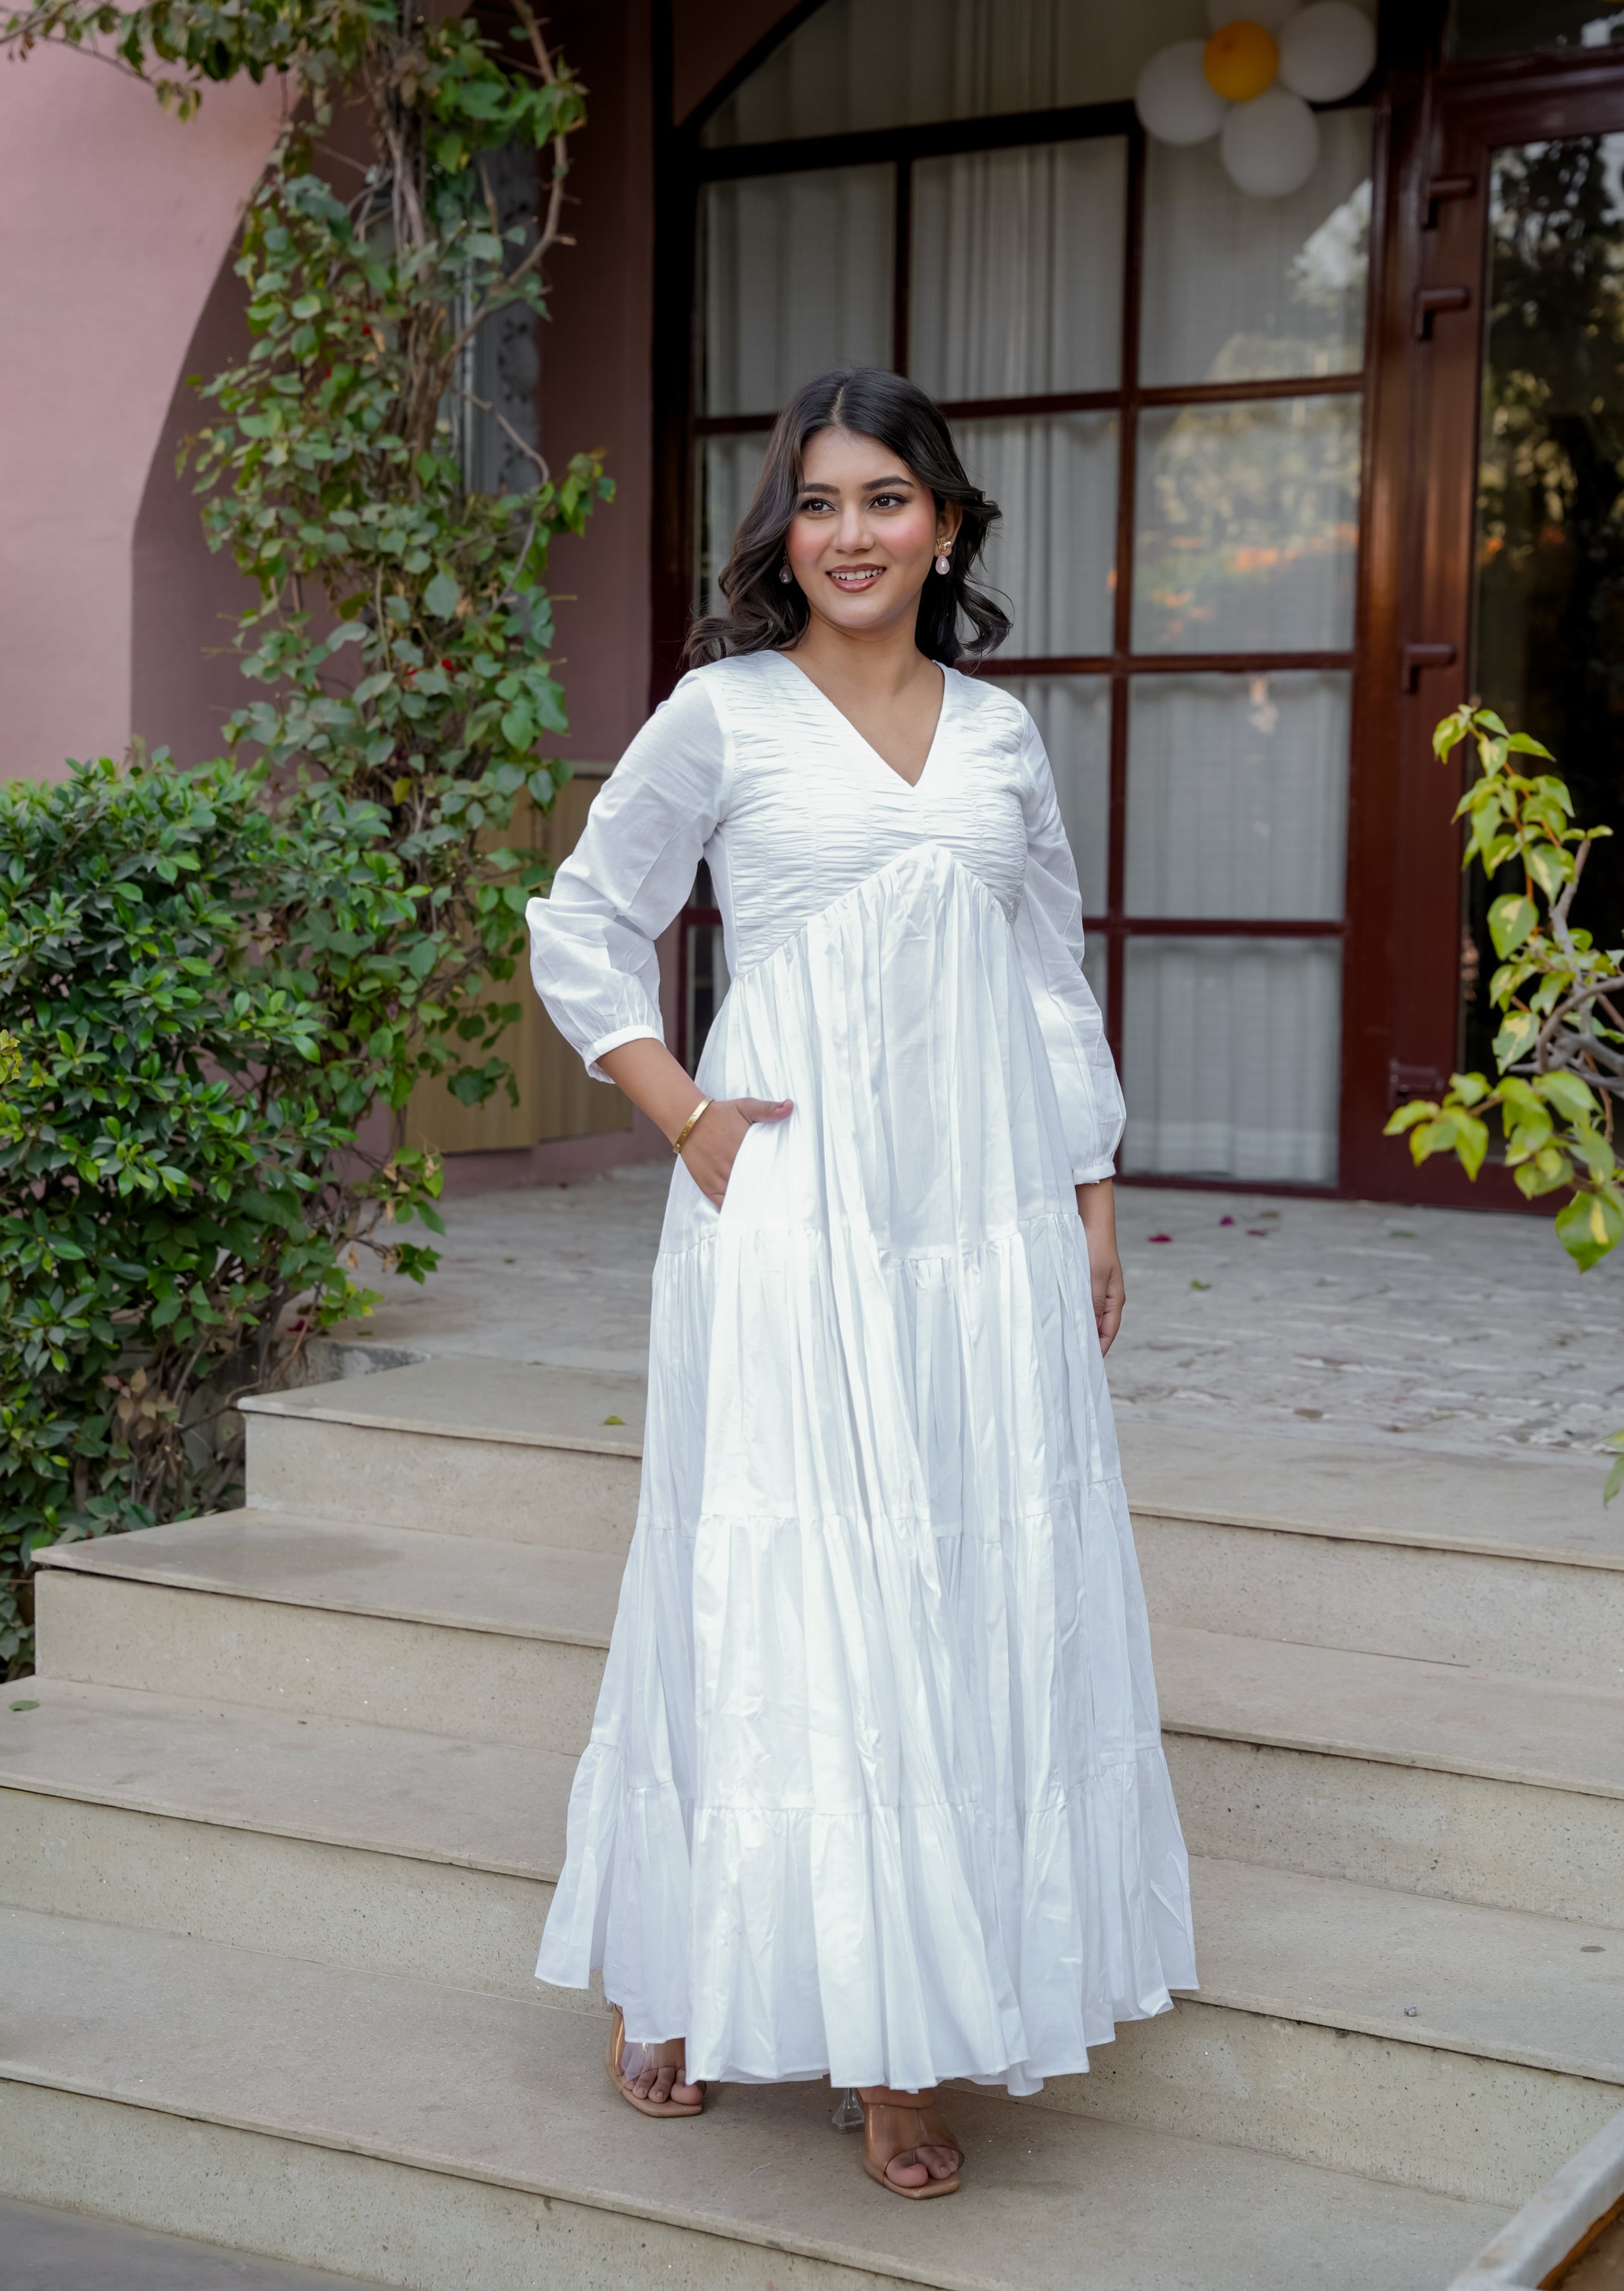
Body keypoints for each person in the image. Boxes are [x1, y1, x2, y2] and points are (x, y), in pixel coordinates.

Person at [527, 366, 1196, 2199]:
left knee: (962, 1578)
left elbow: (1049, 975)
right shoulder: (722, 715)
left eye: (885, 499)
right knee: (773, 1572)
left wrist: (1091, 1195)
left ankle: (904, 2035)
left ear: (946, 526)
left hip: (980, 1222)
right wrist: (683, 1116)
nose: (850, 533)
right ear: (785, 531)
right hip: (791, 1209)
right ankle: (675, 1963)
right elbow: (583, 920)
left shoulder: (1001, 739)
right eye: (817, 502)